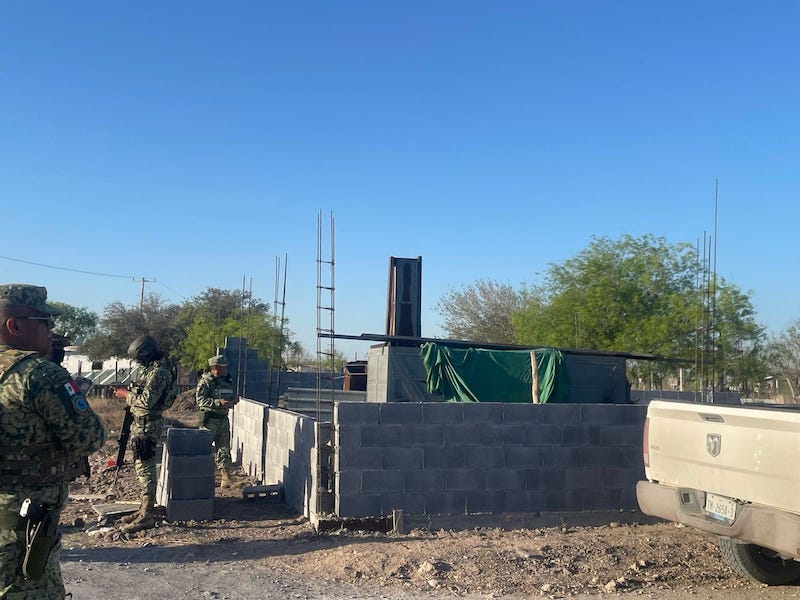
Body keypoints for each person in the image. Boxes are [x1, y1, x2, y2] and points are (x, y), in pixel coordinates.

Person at [0, 283, 106, 599]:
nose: (51, 330)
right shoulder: (39, 374)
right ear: (14, 325)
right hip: (22, 527)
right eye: (44, 322)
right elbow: (89, 438)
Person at [112, 334, 172, 533]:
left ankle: (147, 514)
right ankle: (143, 509)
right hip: (140, 424)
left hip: (148, 425)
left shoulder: (159, 372)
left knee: (145, 469)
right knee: (141, 467)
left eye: (139, 358)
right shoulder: (151, 370)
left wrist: (125, 395)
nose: (138, 362)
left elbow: (147, 402)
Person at [196, 354, 239, 488]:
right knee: (203, 449)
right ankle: (199, 478)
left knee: (224, 449)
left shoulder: (228, 381)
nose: (226, 369)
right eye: (223, 367)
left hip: (223, 420)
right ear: (215, 368)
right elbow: (200, 400)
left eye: (226, 367)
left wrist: (233, 401)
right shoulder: (206, 381)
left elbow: (230, 395)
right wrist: (217, 402)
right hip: (210, 420)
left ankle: (226, 478)